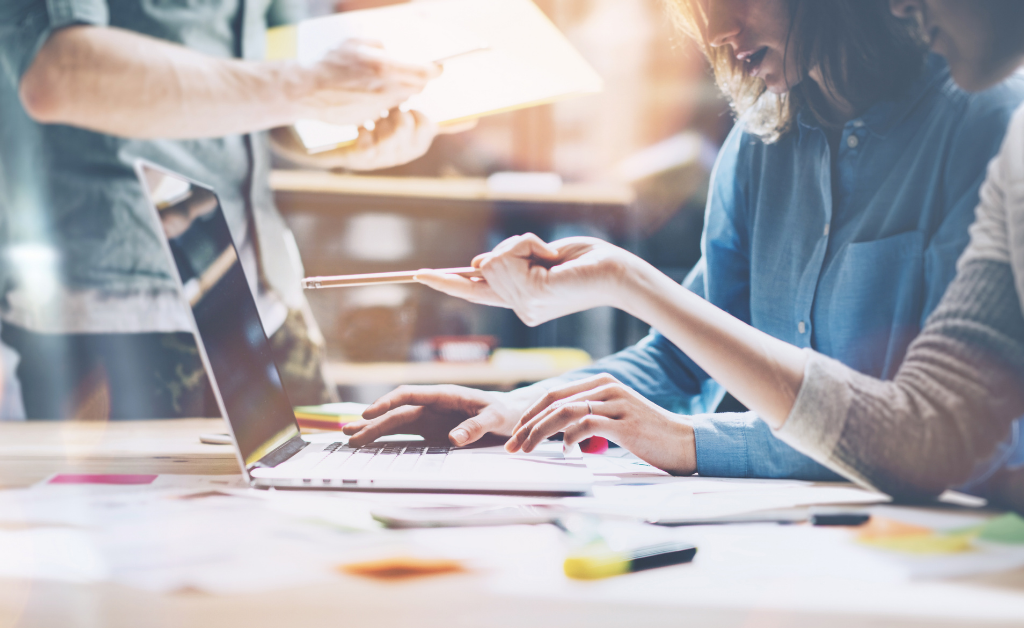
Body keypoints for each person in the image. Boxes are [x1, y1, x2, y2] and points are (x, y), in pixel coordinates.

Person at [342, 0, 1024, 490]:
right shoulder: (762, 143)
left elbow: (952, 435)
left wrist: (693, 442)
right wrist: (516, 410)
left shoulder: (990, 124)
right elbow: (681, 361)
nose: (720, 30)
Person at [0, 0, 459, 419]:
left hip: (266, 291)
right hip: (121, 311)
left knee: (326, 494)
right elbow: (60, 73)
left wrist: (346, 141)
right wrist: (309, 84)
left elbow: (278, 88)